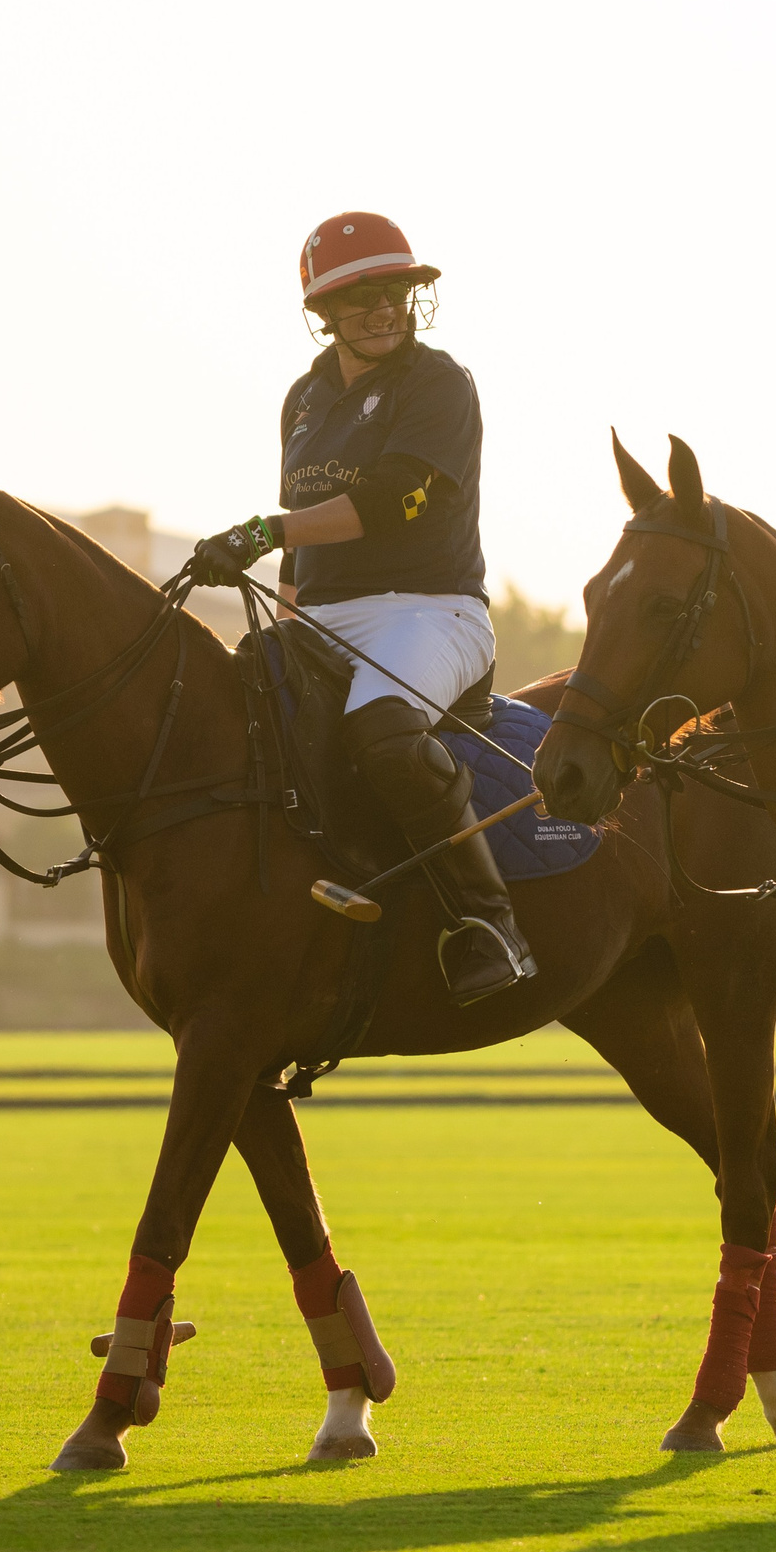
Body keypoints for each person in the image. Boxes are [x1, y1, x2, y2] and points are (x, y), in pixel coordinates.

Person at [193, 212, 535, 1005]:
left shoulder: (440, 382)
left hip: (430, 611)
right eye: (361, 297)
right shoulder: (304, 399)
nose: (384, 308)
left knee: (382, 734)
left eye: (396, 292)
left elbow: (391, 501)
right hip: (323, 616)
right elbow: (300, 538)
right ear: (323, 312)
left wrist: (260, 530)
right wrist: (281, 612)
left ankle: (490, 923)